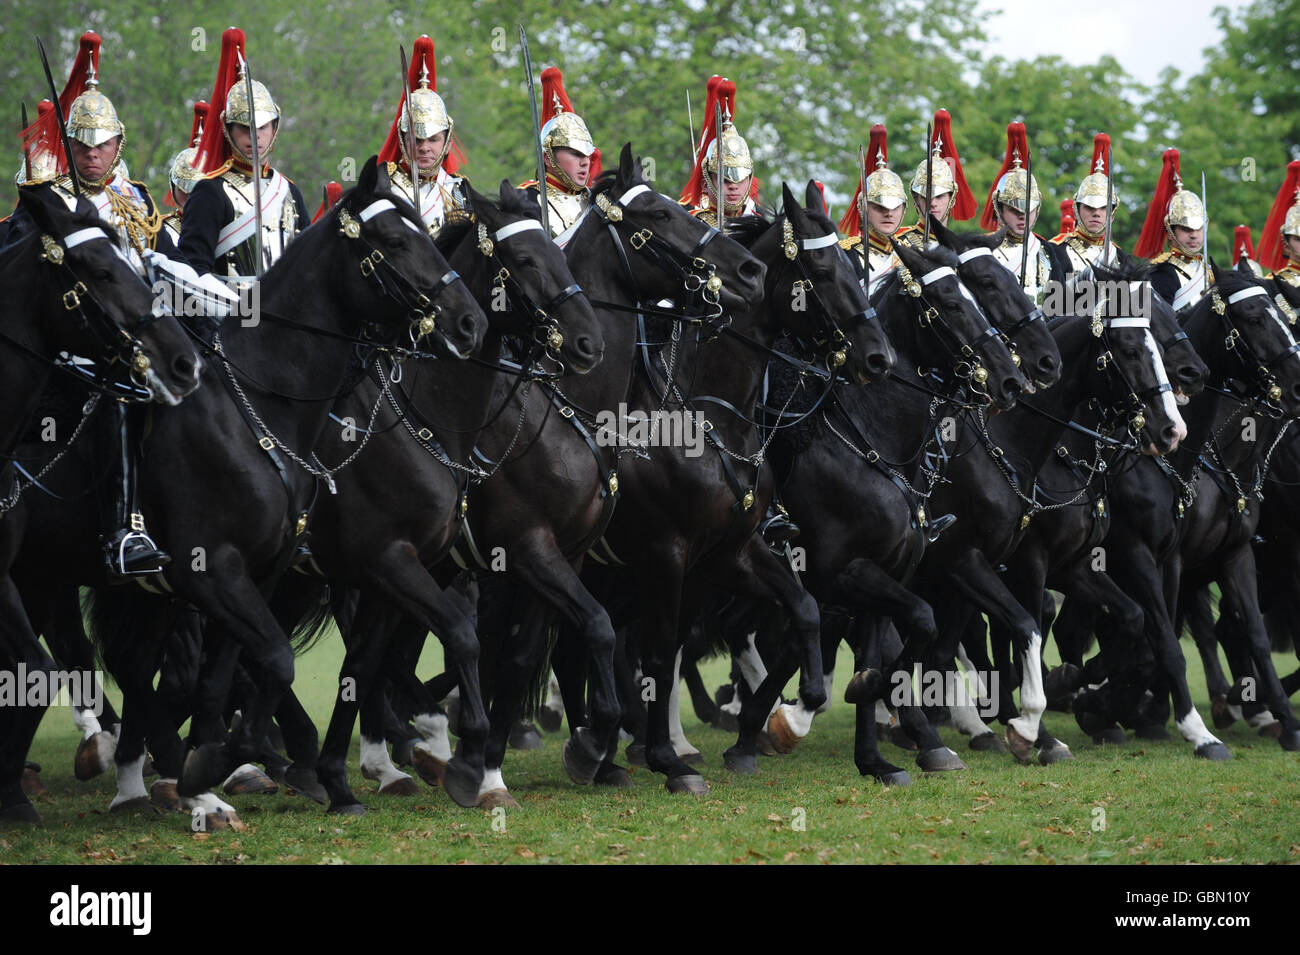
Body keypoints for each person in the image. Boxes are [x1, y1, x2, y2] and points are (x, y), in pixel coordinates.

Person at [17, 32, 173, 578]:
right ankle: (123, 533)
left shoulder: (139, 199)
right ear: (69, 144)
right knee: (118, 399)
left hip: (140, 336)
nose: (91, 152)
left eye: (102, 142)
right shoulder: (48, 199)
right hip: (74, 345)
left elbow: (161, 268)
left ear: (119, 143)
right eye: (82, 142)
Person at [179, 27, 307, 279]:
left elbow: (307, 261)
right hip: (228, 312)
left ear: (274, 128)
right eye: (245, 128)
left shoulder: (289, 191)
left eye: (262, 127)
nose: (255, 136)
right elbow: (193, 269)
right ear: (228, 129)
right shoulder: (210, 191)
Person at [377, 35, 470, 237]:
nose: (424, 147)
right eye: (417, 140)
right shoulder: (383, 185)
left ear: (448, 142)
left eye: (433, 139)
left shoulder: (459, 190)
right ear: (403, 141)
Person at [521, 66, 600, 241]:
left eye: (587, 155)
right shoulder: (526, 200)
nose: (586, 162)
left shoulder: (597, 200)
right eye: (575, 154)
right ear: (548, 158)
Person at [681, 76, 761, 230]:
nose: (733, 187)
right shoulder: (688, 220)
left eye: (740, 179)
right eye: (725, 180)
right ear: (705, 184)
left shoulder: (757, 219)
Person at [1136, 148, 1210, 312]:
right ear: (1170, 232)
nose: (1193, 235)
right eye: (1186, 229)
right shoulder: (1161, 272)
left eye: (1198, 228)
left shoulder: (1208, 271)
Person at [1047, 133, 1127, 285]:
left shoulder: (1119, 257)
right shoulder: (1056, 250)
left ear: (1112, 213)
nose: (1096, 213)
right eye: (1090, 207)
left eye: (1103, 208)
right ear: (1077, 210)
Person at [981, 122, 1049, 299]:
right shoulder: (984, 249)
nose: (1023, 216)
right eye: (1014, 210)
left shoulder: (1049, 251)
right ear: (999, 207)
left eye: (1028, 209)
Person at [895, 108, 978, 250]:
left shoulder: (961, 248)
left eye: (939, 197)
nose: (932, 203)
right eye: (926, 197)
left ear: (951, 199)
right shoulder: (897, 244)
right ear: (915, 200)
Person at [838, 123, 907, 292]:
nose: (889, 214)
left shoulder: (912, 254)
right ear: (863, 209)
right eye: (880, 208)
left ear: (904, 209)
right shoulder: (845, 255)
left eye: (895, 207)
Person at [160, 102, 209, 245]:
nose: (189, 195)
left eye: (196, 190)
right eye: (183, 188)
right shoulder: (161, 229)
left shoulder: (223, 229)